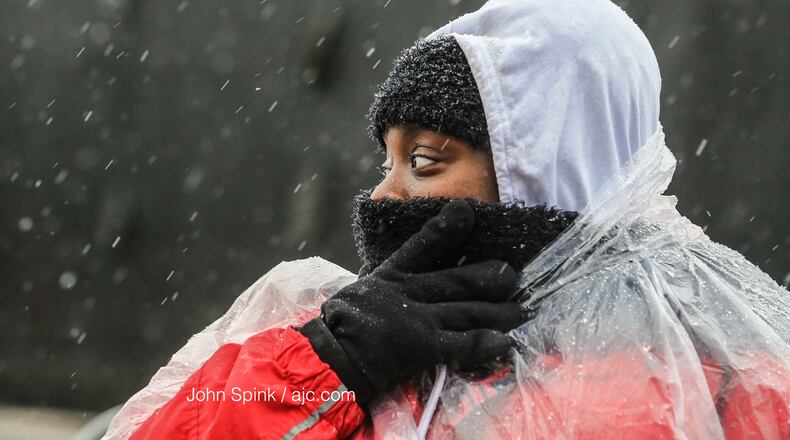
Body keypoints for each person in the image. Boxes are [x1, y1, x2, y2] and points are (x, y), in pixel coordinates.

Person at [103, 0, 790, 438]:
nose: (380, 198)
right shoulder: (336, 336)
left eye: (426, 162)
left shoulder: (723, 367)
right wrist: (321, 369)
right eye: (388, 161)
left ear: (550, 170)